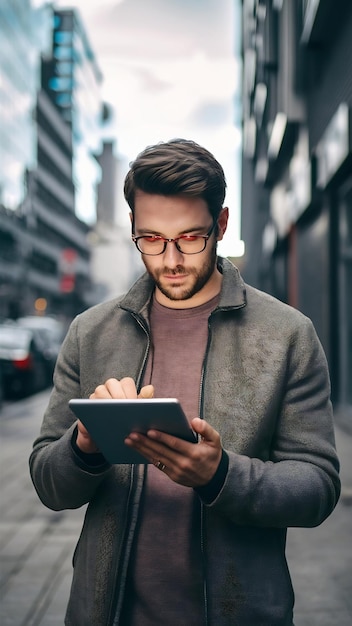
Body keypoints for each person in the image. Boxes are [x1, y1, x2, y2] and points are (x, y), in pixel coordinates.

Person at [29, 139, 340, 626]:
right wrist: (83, 446)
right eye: (150, 239)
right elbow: (48, 483)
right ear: (133, 229)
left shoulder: (286, 335)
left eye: (190, 238)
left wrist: (221, 475)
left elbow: (318, 486)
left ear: (220, 225)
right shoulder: (91, 333)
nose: (170, 259)